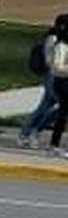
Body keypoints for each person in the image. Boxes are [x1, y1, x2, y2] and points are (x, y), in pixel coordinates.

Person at [18, 15, 68, 149]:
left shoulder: (60, 39)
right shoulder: (53, 39)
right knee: (48, 107)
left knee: (53, 108)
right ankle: (29, 133)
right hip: (53, 77)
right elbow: (49, 61)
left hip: (59, 77)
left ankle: (30, 132)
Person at [43, 19, 68, 159]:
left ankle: (54, 145)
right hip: (63, 83)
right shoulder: (61, 46)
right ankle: (55, 145)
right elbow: (56, 68)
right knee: (63, 114)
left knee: (63, 115)